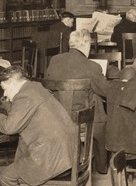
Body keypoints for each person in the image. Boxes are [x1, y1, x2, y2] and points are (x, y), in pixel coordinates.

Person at [0, 65, 75, 186]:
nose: (5, 95)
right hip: (69, 153)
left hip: (53, 157)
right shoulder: (36, 88)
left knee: (7, 176)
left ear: (13, 82)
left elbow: (8, 127)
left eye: (5, 88)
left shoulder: (24, 96)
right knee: (22, 158)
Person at [45, 29, 112, 174]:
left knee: (91, 95)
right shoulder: (93, 67)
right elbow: (107, 92)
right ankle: (101, 167)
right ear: (86, 44)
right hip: (81, 120)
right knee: (98, 102)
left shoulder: (54, 60)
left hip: (56, 117)